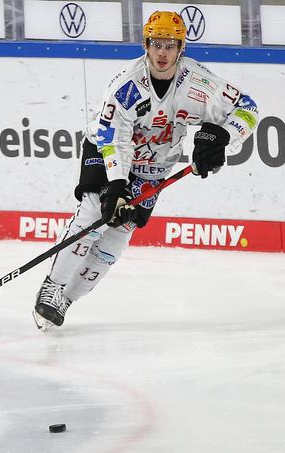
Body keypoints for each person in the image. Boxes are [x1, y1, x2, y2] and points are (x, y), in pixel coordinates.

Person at [32, 11, 259, 330]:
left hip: (154, 167)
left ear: (181, 47)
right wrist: (117, 184)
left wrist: (222, 135)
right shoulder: (127, 85)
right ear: (146, 45)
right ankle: (52, 288)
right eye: (156, 44)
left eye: (170, 44)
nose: (162, 52)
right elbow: (114, 137)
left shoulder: (200, 84)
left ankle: (67, 298)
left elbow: (247, 108)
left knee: (118, 234)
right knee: (95, 212)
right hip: (106, 148)